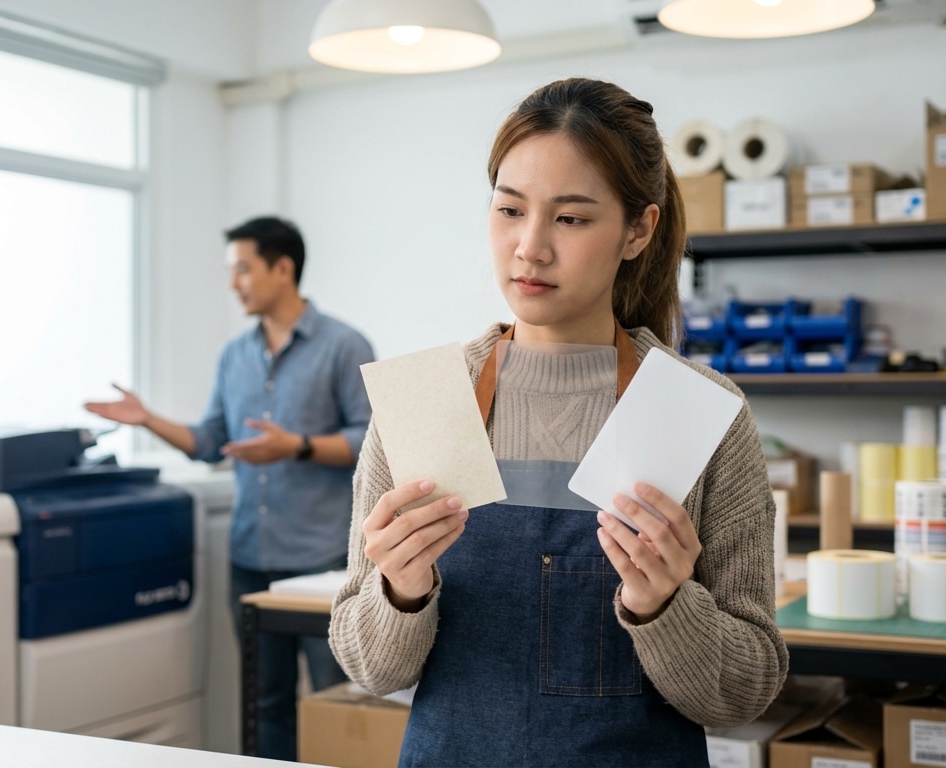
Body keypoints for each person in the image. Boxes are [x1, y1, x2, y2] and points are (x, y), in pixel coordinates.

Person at [328, 78, 788, 767]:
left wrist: (666, 605)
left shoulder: (693, 410)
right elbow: (369, 668)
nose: (530, 247)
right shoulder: (431, 397)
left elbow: (745, 690)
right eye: (510, 210)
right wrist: (401, 590)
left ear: (639, 230)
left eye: (570, 219)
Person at [85, 215, 374, 762]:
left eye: (243, 269)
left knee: (341, 698)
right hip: (251, 556)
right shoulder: (234, 355)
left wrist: (298, 445)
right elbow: (208, 441)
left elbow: (372, 439)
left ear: (282, 269)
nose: (233, 283)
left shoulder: (343, 345)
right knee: (264, 704)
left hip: (322, 559)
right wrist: (147, 419)